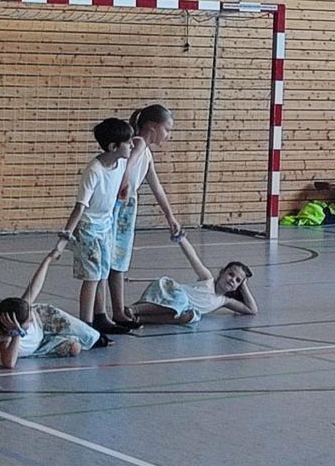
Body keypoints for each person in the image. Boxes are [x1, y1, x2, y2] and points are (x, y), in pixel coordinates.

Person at [104, 103, 189, 330]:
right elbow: (131, 162)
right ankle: (103, 312)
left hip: (127, 208)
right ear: (152, 126)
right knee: (107, 260)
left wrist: (170, 217)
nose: (168, 135)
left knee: (118, 261)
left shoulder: (147, 153)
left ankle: (118, 311)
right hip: (116, 205)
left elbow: (156, 187)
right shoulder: (138, 142)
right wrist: (124, 180)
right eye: (167, 129)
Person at [55, 116, 134, 342]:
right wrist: (66, 236)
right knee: (91, 277)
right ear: (113, 147)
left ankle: (101, 317)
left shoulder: (120, 164)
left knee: (103, 273)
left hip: (105, 225)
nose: (131, 145)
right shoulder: (94, 170)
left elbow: (137, 147)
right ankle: (86, 326)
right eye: (127, 142)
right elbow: (80, 206)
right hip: (88, 227)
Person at [0, 245, 105, 369]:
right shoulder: (5, 339)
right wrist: (16, 335)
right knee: (75, 348)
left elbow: (35, 287)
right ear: (16, 325)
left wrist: (48, 259)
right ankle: (74, 338)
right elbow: (9, 363)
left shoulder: (26, 310)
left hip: (44, 318)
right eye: (28, 320)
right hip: (40, 344)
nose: (31, 319)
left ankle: (98, 337)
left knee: (84, 332)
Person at [129, 236, 258, 324]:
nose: (232, 280)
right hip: (168, 292)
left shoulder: (224, 301)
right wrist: (181, 238)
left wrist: (244, 286)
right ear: (222, 273)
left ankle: (140, 319)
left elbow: (252, 310)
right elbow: (193, 257)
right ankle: (134, 310)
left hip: (180, 308)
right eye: (230, 274)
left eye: (237, 280)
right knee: (180, 302)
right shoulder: (207, 279)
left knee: (191, 316)